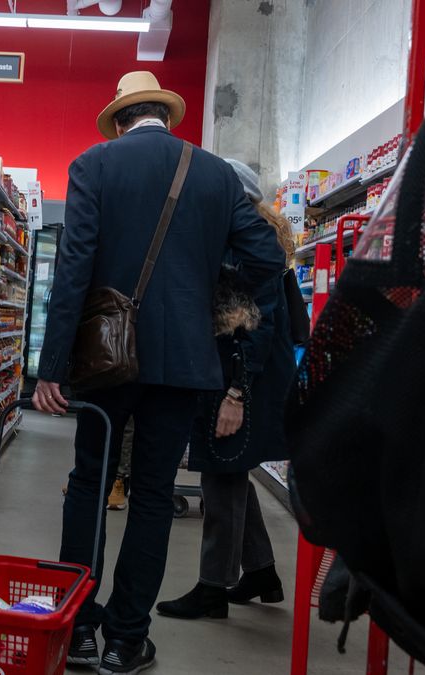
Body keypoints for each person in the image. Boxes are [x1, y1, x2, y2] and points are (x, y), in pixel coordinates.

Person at [32, 71, 284, 675]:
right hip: (182, 363)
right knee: (150, 495)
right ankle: (126, 640)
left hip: (103, 358)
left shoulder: (95, 166)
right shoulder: (215, 173)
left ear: (120, 119)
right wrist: (205, 298)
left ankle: (81, 630)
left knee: (90, 485)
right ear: (164, 118)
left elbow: (73, 269)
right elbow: (269, 258)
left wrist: (52, 367)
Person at [155, 159, 303, 622]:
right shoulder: (251, 238)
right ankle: (261, 571)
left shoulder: (248, 247)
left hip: (241, 378)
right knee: (231, 468)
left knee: (221, 473)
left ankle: (212, 589)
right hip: (236, 374)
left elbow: (258, 327)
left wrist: (235, 395)